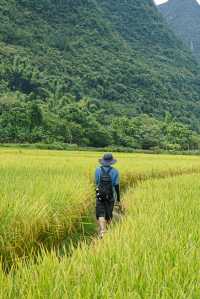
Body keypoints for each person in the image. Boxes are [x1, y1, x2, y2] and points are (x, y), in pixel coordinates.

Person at [95, 153, 121, 238]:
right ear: (111, 162)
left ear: (103, 161)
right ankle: (106, 230)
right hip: (110, 196)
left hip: (100, 195)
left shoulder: (97, 170)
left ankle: (102, 231)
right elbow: (116, 186)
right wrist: (118, 199)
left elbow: (96, 183)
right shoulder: (115, 171)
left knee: (100, 213)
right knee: (108, 214)